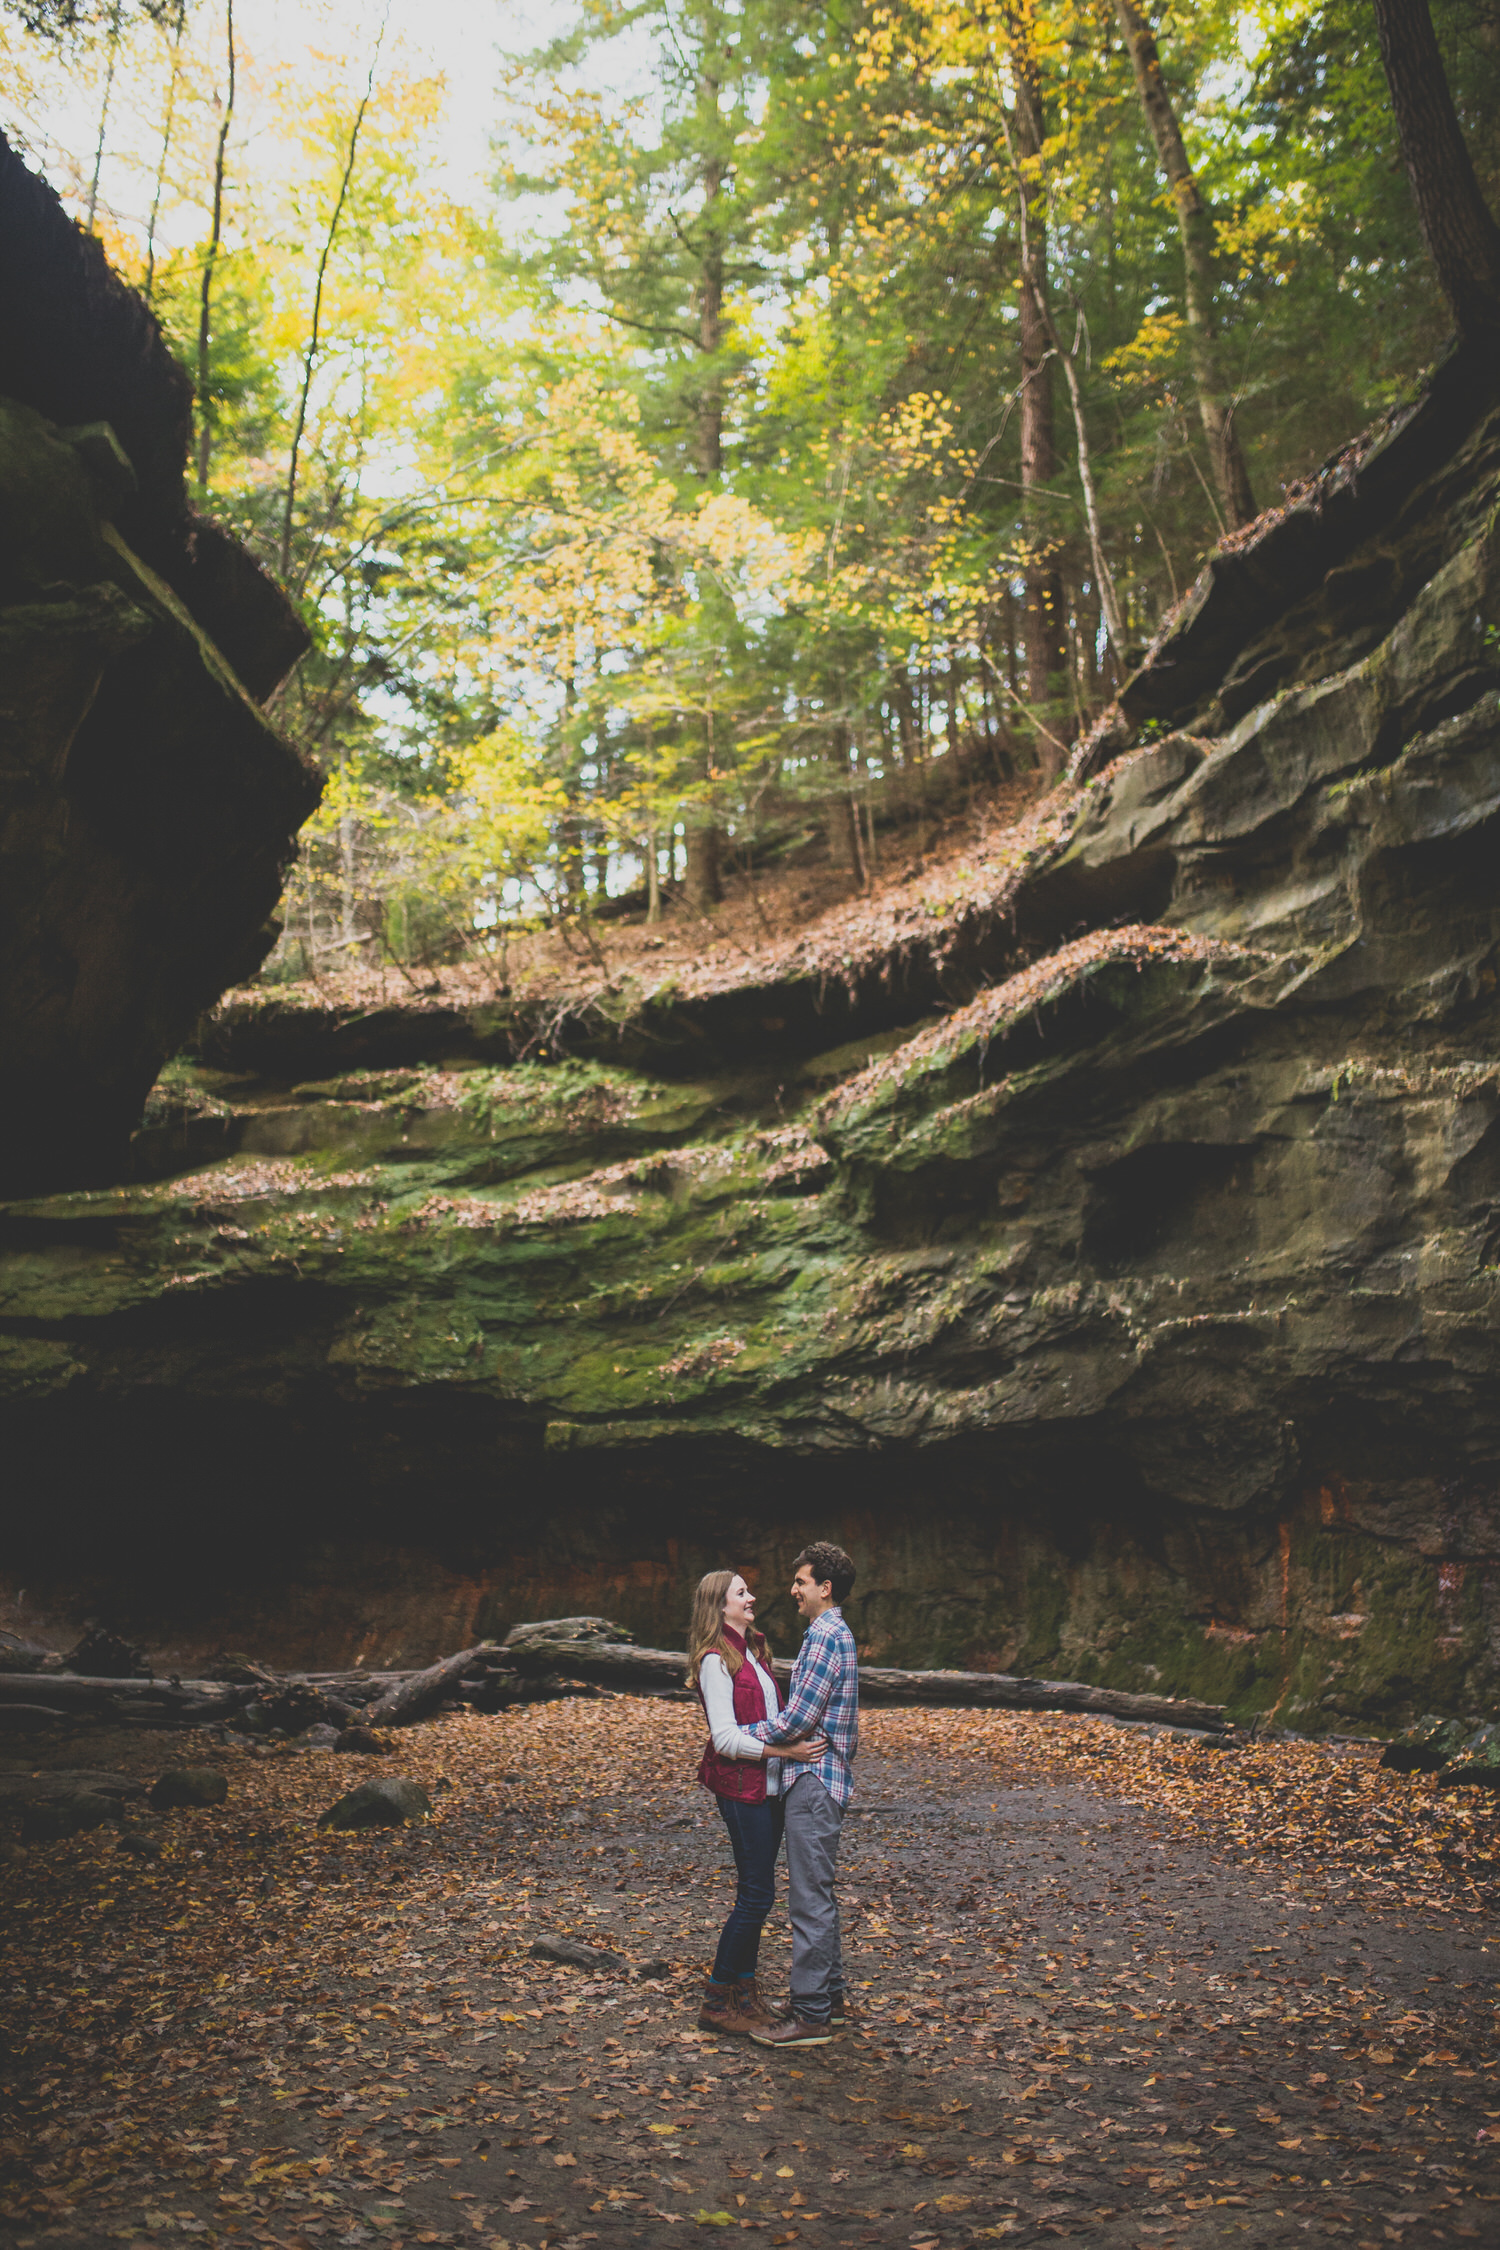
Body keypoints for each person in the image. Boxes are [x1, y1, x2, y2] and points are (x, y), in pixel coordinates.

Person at [688, 1569, 828, 2038]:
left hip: (768, 1790)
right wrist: (785, 1752)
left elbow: (776, 1719)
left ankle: (744, 1997)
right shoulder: (715, 1659)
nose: (752, 1598)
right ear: (719, 1605)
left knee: (756, 1894)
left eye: (748, 1591)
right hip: (740, 1790)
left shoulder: (753, 1651)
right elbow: (725, 1739)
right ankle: (716, 1997)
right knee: (756, 1896)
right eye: (741, 1593)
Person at [741, 1540, 859, 2049]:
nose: (793, 1590)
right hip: (823, 1778)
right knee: (820, 1892)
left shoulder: (824, 1635)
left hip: (813, 1780)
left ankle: (811, 2015)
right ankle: (827, 1997)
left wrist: (743, 1736)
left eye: (801, 1582)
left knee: (809, 1899)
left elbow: (797, 1720)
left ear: (824, 1588)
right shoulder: (837, 1634)